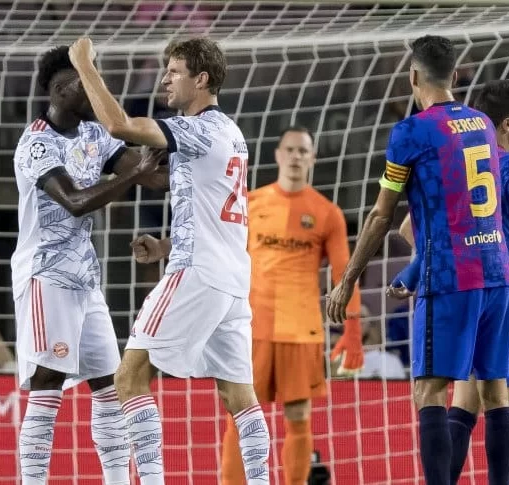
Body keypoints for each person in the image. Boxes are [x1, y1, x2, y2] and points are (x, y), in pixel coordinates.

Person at [69, 36, 271, 484]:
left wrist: (85, 65)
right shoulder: (231, 133)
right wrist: (164, 246)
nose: (165, 78)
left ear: (201, 80)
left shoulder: (199, 129)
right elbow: (216, 207)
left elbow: (119, 126)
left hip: (198, 272)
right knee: (240, 395)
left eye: (174, 71)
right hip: (231, 276)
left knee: (129, 376)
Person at [326, 36, 509, 485]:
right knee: (494, 390)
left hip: (449, 278)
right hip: (497, 272)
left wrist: (348, 280)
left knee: (429, 389)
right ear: (454, 74)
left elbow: (381, 215)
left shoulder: (410, 133)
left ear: (413, 76)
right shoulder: (483, 124)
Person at [12, 45, 166, 485]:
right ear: (61, 89)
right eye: (86, 81)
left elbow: (150, 172)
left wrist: (189, 163)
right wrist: (135, 176)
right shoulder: (36, 143)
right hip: (45, 277)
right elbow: (75, 201)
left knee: (109, 384)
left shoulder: (95, 135)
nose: (97, 92)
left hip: (85, 280)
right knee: (48, 380)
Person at [220, 126, 364, 485]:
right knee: (240, 413)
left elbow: (344, 275)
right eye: (291, 150)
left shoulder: (327, 213)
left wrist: (353, 330)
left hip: (301, 329)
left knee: (298, 415)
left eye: (304, 151)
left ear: (313, 158)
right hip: (251, 327)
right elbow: (224, 258)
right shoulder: (251, 203)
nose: (297, 156)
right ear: (278, 155)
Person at [389, 79, 509, 484]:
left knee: (469, 399)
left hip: (469, 284)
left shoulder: (468, 162)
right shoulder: (501, 165)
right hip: (496, 286)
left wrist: (416, 268)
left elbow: (409, 226)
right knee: (488, 397)